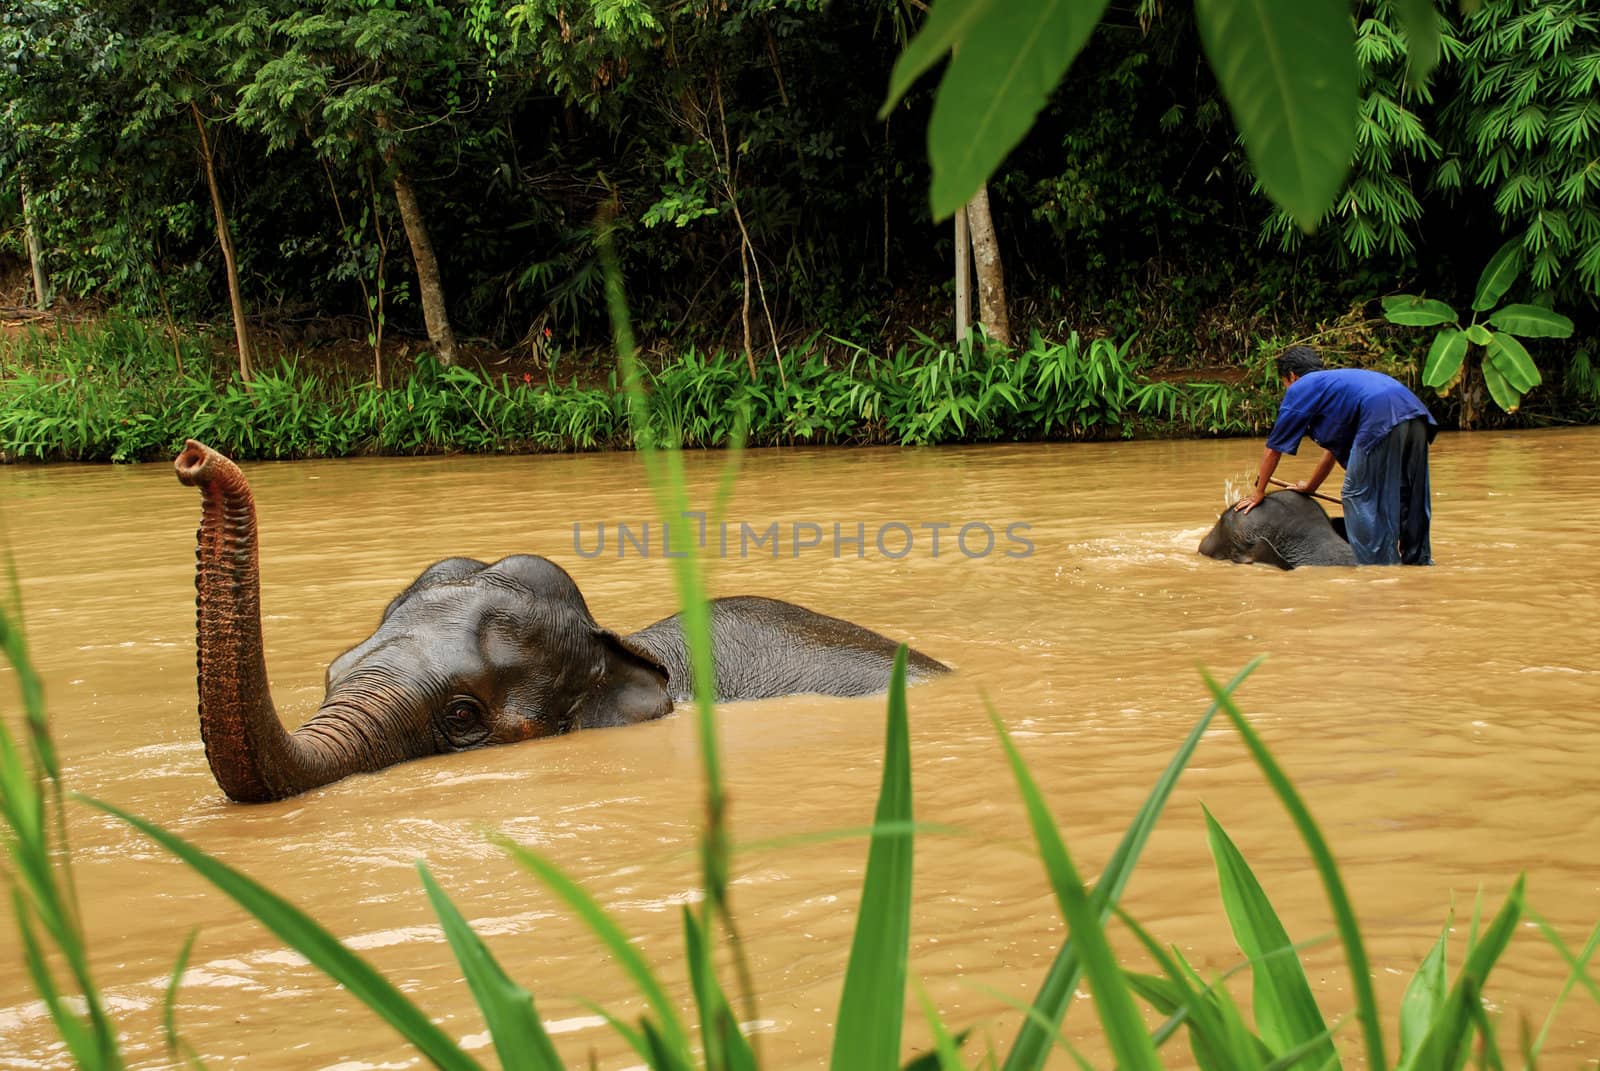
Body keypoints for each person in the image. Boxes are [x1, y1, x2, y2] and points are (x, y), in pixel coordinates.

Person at [1234, 345, 1437, 565]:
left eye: (1285, 384)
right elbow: (1331, 451)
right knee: (1408, 492)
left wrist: (1259, 492)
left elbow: (1273, 448)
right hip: (1414, 411)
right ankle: (1418, 562)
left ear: (1292, 376)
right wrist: (1311, 486)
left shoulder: (1302, 387)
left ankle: (1378, 570)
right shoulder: (1335, 387)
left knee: (1356, 494)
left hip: (1380, 416)